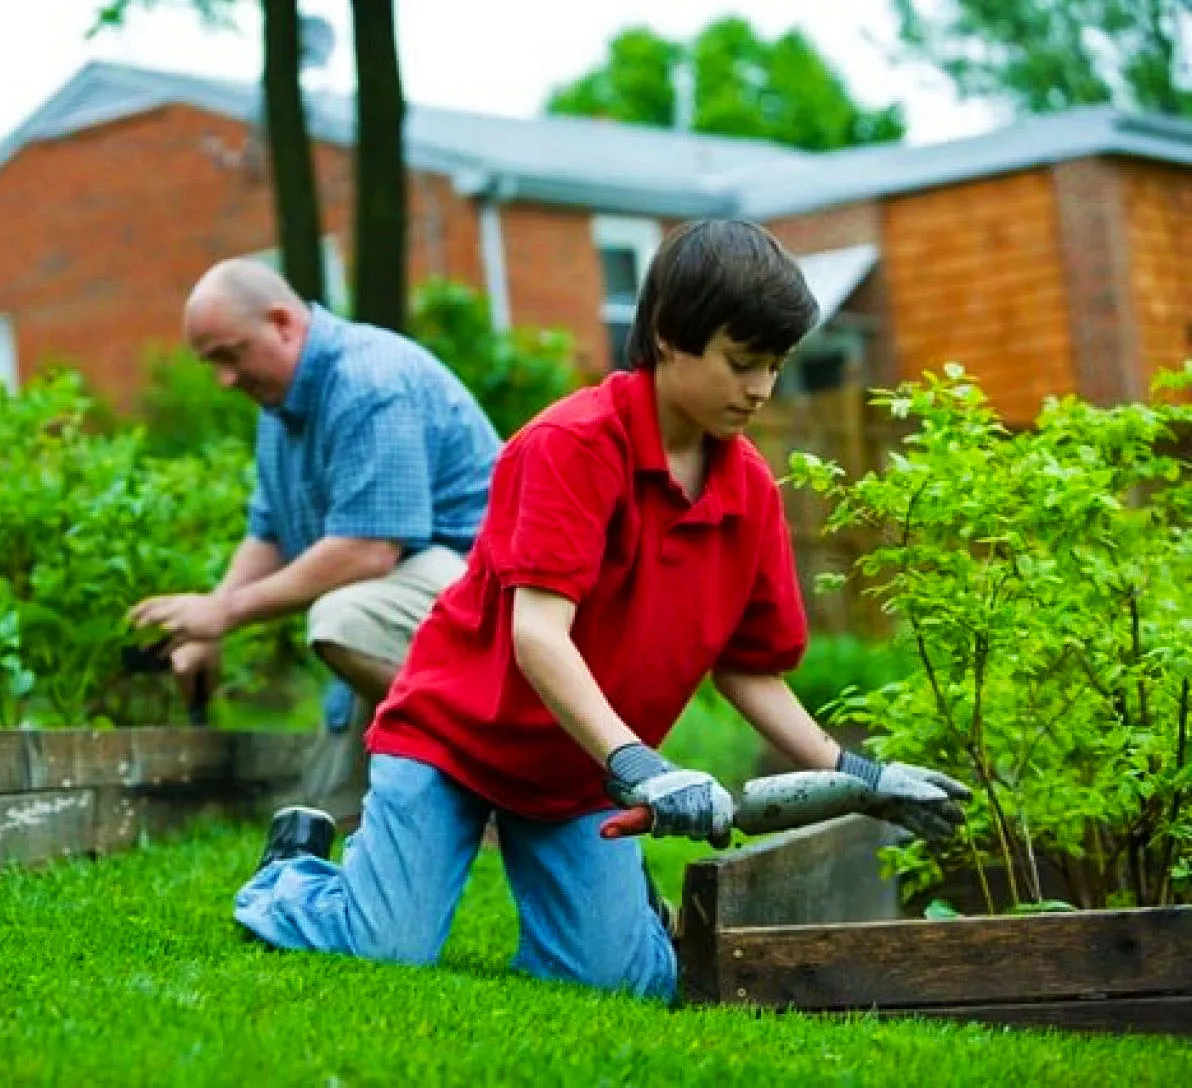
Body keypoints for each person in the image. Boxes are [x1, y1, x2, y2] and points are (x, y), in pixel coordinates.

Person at [232, 220, 969, 1001]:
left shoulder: (748, 491)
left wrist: (864, 775)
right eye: (741, 362)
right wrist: (644, 768)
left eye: (776, 366)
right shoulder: (569, 447)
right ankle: (293, 872)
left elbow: (749, 672)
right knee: (383, 948)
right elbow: (539, 636)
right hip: (454, 741)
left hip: (581, 771)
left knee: (618, 984)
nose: (761, 389)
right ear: (666, 337)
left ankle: (625, 915)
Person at [127, 259, 503, 821]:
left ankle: (498, 775)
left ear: (282, 323)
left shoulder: (368, 382)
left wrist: (227, 612)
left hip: (487, 598)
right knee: (330, 812)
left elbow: (368, 550)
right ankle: (431, 797)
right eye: (211, 364)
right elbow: (269, 532)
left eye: (230, 355)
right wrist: (208, 625)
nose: (224, 380)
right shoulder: (279, 410)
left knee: (343, 619)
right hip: (407, 604)